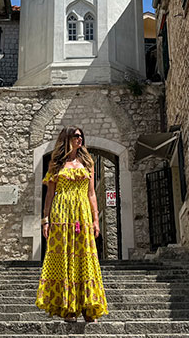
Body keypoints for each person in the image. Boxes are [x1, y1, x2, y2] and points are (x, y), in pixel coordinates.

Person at [36, 126, 108, 323]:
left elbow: (91, 193)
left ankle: (88, 307)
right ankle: (69, 308)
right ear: (67, 138)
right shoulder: (56, 164)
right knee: (65, 259)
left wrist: (95, 219)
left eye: (81, 135)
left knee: (85, 257)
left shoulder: (88, 162)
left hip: (82, 213)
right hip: (61, 214)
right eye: (76, 136)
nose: (80, 139)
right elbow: (49, 195)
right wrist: (45, 220)